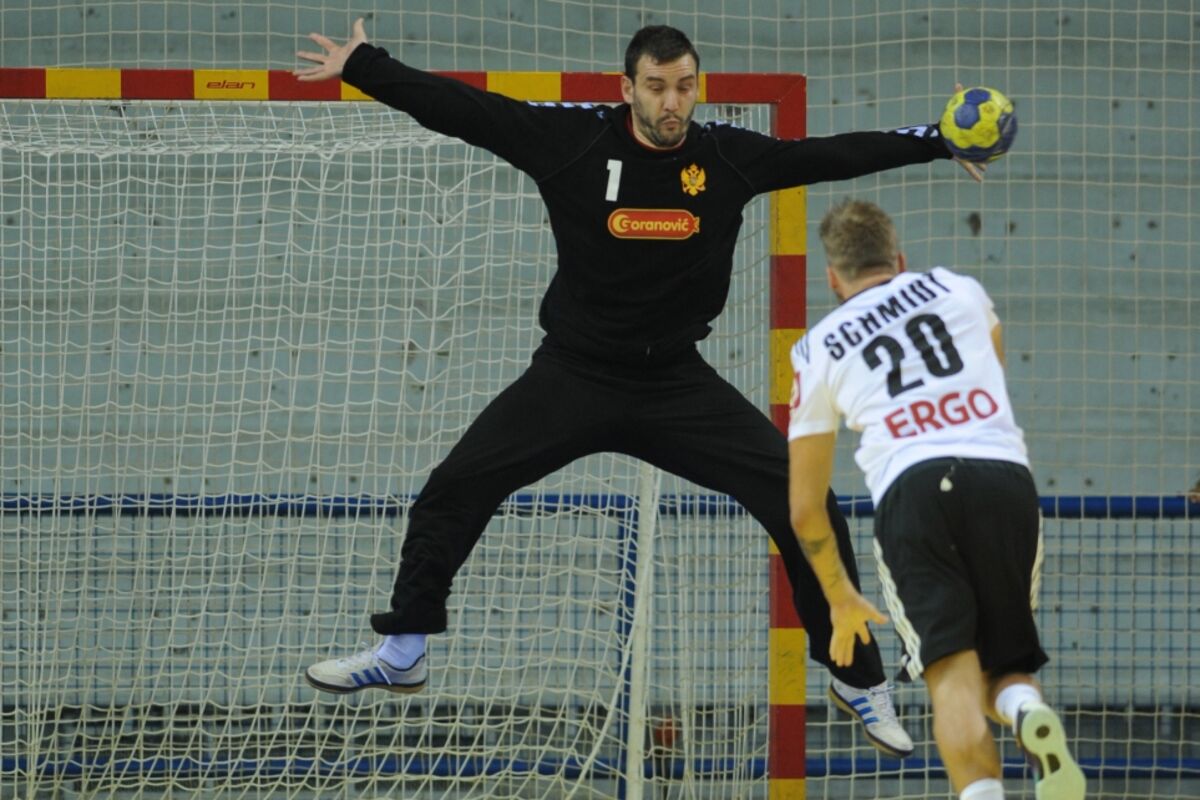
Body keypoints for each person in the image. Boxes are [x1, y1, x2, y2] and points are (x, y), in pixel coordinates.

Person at [293, 19, 979, 758]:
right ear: (628, 89)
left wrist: (937, 140)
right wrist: (364, 64)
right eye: (656, 87)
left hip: (675, 384)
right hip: (574, 374)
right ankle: (404, 651)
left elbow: (833, 155)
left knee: (803, 501)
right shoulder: (573, 142)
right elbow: (466, 110)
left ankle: (855, 675)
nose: (671, 102)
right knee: (454, 488)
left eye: (684, 86)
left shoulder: (726, 157)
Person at [787, 198, 1086, 799]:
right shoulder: (959, 289)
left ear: (833, 279)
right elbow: (992, 373)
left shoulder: (819, 348)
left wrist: (841, 597)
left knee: (951, 676)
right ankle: (1026, 710)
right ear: (899, 259)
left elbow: (804, 507)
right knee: (1004, 666)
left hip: (914, 487)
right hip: (1002, 477)